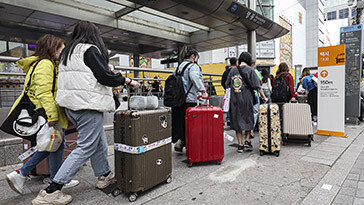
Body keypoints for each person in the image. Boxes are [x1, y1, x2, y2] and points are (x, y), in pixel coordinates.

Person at [31, 21, 140, 205]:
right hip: (87, 106)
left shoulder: (68, 52)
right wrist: (127, 81)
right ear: (93, 35)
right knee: (85, 147)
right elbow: (105, 77)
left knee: (98, 141)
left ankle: (104, 175)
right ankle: (52, 190)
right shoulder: (89, 50)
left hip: (72, 106)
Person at [5, 35, 79, 195]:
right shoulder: (45, 64)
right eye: (61, 48)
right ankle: (26, 174)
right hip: (45, 112)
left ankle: (51, 178)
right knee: (54, 145)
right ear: (52, 47)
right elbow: (43, 92)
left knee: (53, 145)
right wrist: (52, 116)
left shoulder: (44, 63)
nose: (62, 51)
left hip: (45, 111)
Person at [226, 52, 267, 153]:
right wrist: (264, 97)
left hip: (235, 99)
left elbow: (227, 84)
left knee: (237, 120)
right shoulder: (251, 70)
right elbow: (257, 87)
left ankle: (240, 144)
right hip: (247, 99)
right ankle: (247, 140)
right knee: (248, 118)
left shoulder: (232, 70)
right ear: (248, 60)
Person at [173, 45, 208, 152]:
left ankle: (180, 141)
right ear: (193, 56)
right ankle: (190, 145)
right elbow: (194, 77)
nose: (197, 60)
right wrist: (203, 91)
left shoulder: (179, 67)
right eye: (197, 57)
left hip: (178, 100)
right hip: (189, 99)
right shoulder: (193, 66)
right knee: (190, 124)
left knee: (180, 122)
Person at [222, 57, 238, 126]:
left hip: (228, 91)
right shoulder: (237, 71)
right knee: (236, 105)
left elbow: (223, 82)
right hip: (236, 91)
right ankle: (235, 119)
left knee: (228, 104)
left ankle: (228, 118)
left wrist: (226, 89)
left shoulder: (226, 72)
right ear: (236, 62)